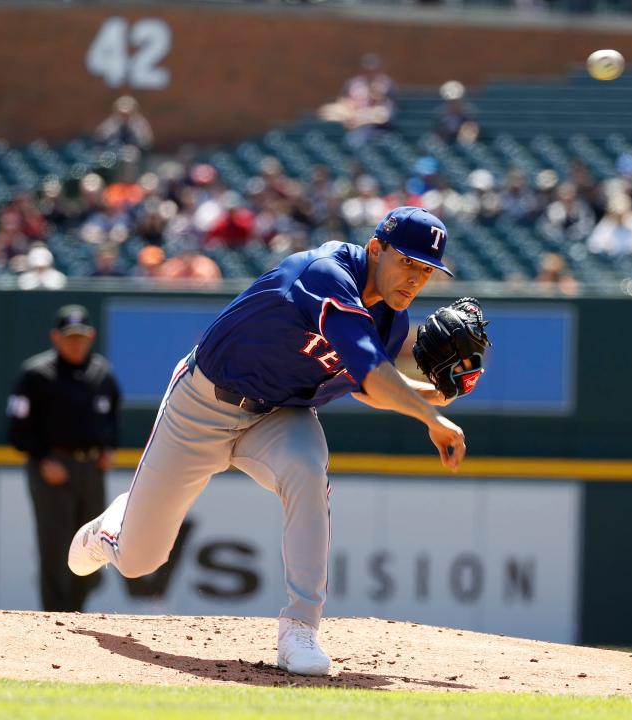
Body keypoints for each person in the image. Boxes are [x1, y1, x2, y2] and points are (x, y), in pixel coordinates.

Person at [67, 206, 468, 676]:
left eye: (426, 270)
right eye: (408, 262)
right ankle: (112, 528)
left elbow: (363, 385)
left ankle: (300, 627)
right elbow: (374, 374)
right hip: (203, 404)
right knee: (139, 561)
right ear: (375, 248)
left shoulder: (390, 319)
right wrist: (430, 416)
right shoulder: (324, 273)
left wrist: (435, 393)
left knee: (307, 470)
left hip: (279, 414)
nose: (415, 278)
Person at [7, 305, 121, 612]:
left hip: (91, 469)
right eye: (70, 336)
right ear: (56, 337)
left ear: (91, 337)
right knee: (56, 547)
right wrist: (43, 458)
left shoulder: (102, 373)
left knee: (91, 543)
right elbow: (18, 427)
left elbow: (111, 417)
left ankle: (77, 612)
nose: (76, 342)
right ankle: (55, 618)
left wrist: (108, 447)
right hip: (52, 468)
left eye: (81, 336)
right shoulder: (37, 374)